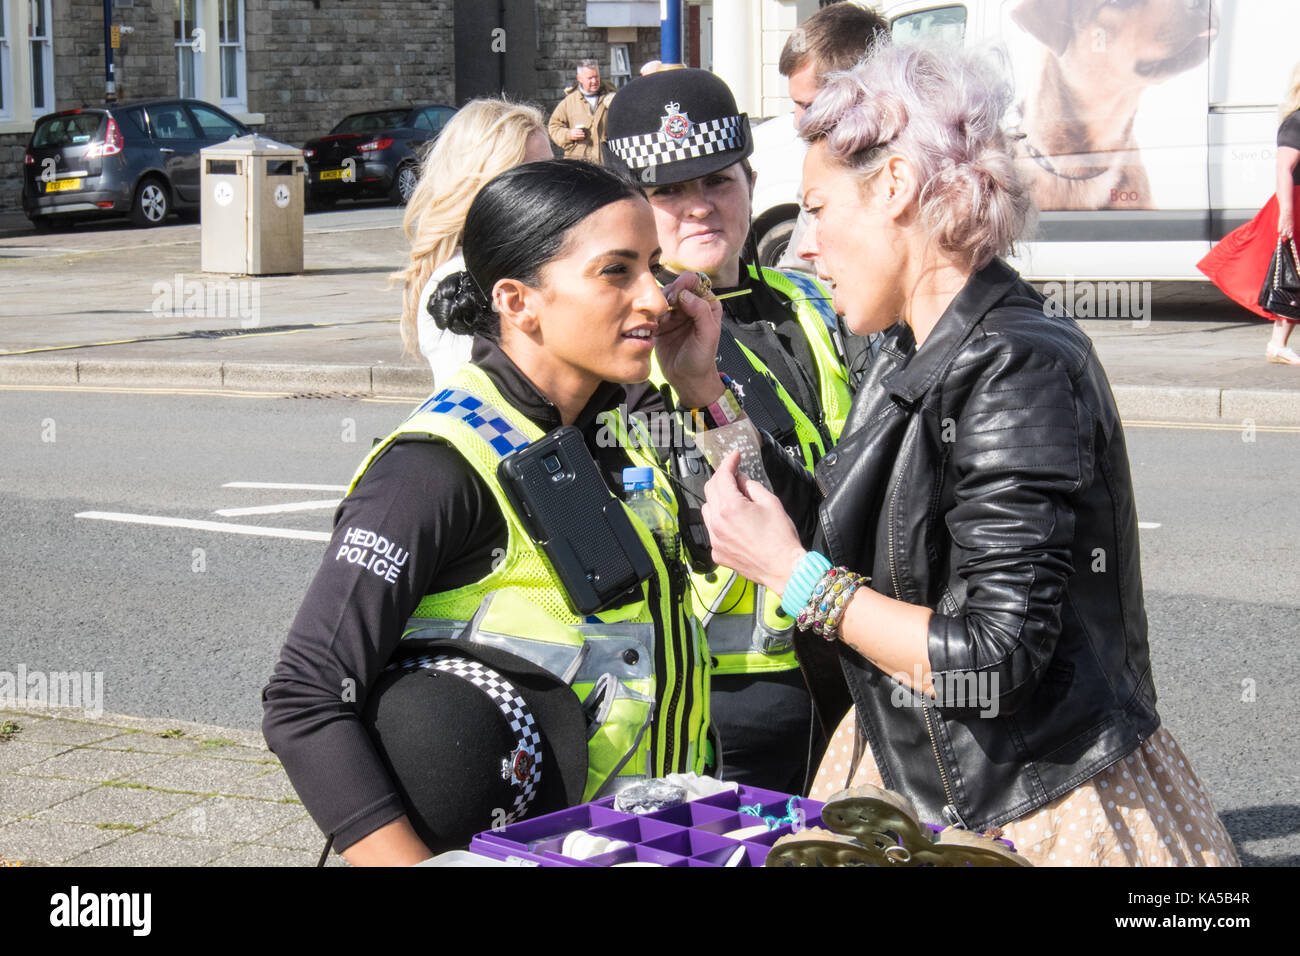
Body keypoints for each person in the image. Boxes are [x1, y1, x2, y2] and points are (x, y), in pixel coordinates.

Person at [691, 41, 1238, 866]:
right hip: (924, 775)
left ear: (898, 189)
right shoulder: (912, 345)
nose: (804, 245)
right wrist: (707, 393)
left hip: (1027, 801)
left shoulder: (1015, 362)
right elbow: (841, 529)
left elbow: (997, 655)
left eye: (819, 208)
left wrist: (793, 582)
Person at [263, 160, 724, 866]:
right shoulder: (436, 466)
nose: (656, 298)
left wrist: (701, 388)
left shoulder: (624, 421)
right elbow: (304, 698)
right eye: (617, 272)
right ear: (518, 300)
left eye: (654, 268)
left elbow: (765, 539)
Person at [603, 69, 855, 796]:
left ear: (749, 179)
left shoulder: (818, 299)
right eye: (668, 193)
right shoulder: (624, 338)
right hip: (718, 684)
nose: (699, 207)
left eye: (717, 180)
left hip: (847, 653)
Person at [394, 99, 553, 384]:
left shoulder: (522, 259)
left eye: (552, 174)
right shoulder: (459, 279)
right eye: (529, 177)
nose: (551, 191)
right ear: (479, 184)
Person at [1198, 62, 1300, 365]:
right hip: (1294, 202)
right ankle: (1277, 344)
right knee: (1290, 275)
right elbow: (1284, 168)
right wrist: (1288, 214)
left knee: (1293, 275)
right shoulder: (1296, 121)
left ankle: (1277, 344)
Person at [548, 59, 616, 164]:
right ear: (579, 78)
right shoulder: (569, 102)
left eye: (596, 76)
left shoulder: (611, 97)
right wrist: (568, 134)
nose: (594, 81)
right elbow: (553, 126)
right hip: (578, 164)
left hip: (606, 162)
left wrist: (615, 102)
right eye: (590, 78)